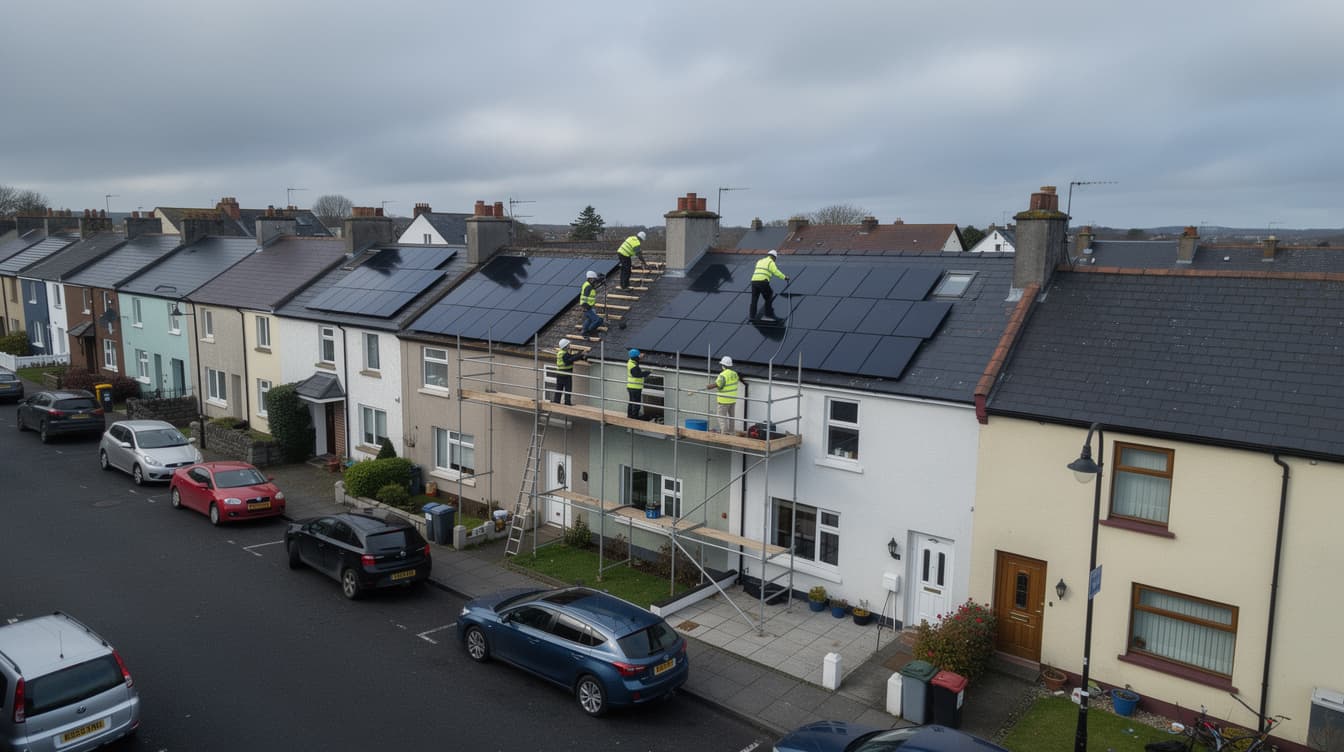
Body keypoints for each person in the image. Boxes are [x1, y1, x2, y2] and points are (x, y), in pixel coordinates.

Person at [750, 249, 788, 320]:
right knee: (769, 295)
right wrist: (785, 277)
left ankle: (752, 316)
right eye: (775, 259)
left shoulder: (759, 261)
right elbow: (776, 272)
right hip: (763, 282)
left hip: (754, 281)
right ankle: (768, 314)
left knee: (754, 299)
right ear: (774, 257)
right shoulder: (770, 262)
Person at [705, 355, 739, 433]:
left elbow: (718, 384)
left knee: (721, 416)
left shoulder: (723, 375)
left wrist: (709, 386)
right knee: (732, 417)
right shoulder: (734, 374)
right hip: (732, 399)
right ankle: (731, 432)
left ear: (723, 365)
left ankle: (724, 433)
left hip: (724, 400)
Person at [552, 338, 586, 405]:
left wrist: (579, 354)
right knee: (568, 389)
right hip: (566, 374)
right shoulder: (564, 354)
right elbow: (571, 359)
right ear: (566, 346)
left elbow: (571, 356)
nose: (569, 346)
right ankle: (567, 402)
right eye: (568, 345)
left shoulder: (561, 352)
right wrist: (581, 355)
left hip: (560, 374)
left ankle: (556, 401)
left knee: (559, 388)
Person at [626, 348, 650, 419]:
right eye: (638, 355)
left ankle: (630, 415)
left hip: (631, 386)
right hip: (635, 387)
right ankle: (635, 416)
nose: (640, 356)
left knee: (632, 401)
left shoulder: (631, 362)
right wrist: (646, 373)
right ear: (636, 356)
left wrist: (641, 356)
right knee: (636, 402)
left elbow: (637, 361)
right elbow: (637, 374)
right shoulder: (633, 366)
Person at [579, 270, 604, 336]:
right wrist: (585, 307)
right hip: (586, 306)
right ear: (590, 279)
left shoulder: (588, 284)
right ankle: (591, 331)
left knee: (589, 319)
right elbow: (584, 297)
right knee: (598, 320)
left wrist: (600, 281)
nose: (594, 281)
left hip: (587, 306)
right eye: (593, 279)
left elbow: (594, 286)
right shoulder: (588, 286)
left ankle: (584, 331)